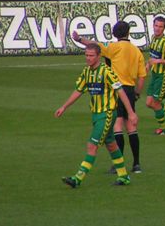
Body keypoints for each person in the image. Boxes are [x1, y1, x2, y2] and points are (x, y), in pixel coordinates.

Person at [54, 43, 138, 188]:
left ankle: (77, 178)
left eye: (91, 55)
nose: (88, 58)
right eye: (86, 55)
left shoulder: (106, 72)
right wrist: (64, 106)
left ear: (99, 56)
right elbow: (78, 90)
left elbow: (120, 91)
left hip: (107, 114)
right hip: (96, 115)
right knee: (111, 144)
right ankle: (124, 176)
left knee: (92, 146)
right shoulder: (87, 72)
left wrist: (131, 113)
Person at [72, 21, 147, 173]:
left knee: (117, 126)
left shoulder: (114, 47)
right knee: (131, 127)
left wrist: (80, 40)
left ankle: (118, 164)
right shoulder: (136, 50)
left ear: (114, 34)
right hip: (131, 89)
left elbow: (96, 46)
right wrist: (137, 93)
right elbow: (142, 76)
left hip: (116, 89)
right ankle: (137, 164)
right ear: (128, 32)